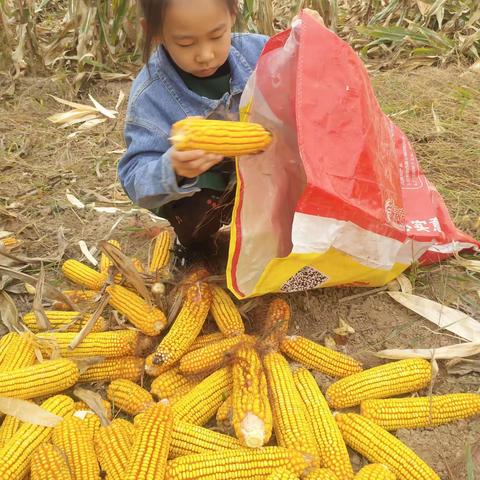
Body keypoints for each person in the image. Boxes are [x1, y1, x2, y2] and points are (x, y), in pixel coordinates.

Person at [118, 0, 269, 259]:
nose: (205, 55)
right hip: (208, 190)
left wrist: (311, 38)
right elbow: (134, 178)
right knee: (197, 208)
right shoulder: (150, 95)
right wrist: (173, 168)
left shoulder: (264, 53)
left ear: (233, 14)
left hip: (264, 171)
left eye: (217, 36)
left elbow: (307, 74)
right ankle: (196, 247)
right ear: (154, 31)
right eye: (186, 43)